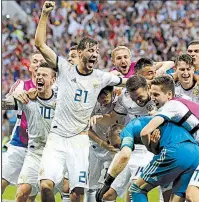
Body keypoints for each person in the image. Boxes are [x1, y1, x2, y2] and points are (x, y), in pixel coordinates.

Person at [34, 2, 126, 202]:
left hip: (79, 141)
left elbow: (126, 80)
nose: (94, 54)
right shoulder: (65, 69)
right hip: (57, 137)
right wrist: (45, 14)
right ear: (81, 52)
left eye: (97, 51)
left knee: (77, 193)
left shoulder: (101, 77)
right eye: (91, 51)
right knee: (45, 185)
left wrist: (150, 80)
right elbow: (40, 44)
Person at [141, 75, 199, 202]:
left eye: (156, 94)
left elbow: (145, 132)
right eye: (151, 94)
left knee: (192, 195)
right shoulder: (181, 100)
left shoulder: (171, 106)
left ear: (169, 94)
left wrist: (150, 147)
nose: (152, 98)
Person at [98, 116, 199, 202]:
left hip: (176, 150)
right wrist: (153, 146)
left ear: (120, 134)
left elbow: (124, 156)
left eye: (117, 145)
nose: (118, 148)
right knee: (177, 198)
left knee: (136, 189)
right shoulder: (150, 123)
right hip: (195, 152)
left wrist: (107, 183)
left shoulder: (127, 130)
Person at [2, 62, 56, 202]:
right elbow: (4, 103)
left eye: (44, 75)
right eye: (38, 74)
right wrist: (16, 94)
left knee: (53, 189)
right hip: (34, 152)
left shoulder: (60, 99)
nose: (39, 77)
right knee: (21, 193)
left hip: (55, 153)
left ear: (54, 80)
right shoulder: (27, 99)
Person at [1, 52, 45, 196]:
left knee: (28, 194)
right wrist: (16, 96)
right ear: (30, 67)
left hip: (40, 147)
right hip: (19, 143)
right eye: (35, 61)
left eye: (41, 61)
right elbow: (6, 103)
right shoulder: (21, 84)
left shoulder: (54, 88)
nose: (38, 63)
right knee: (2, 181)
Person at [85, 86, 124, 202]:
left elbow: (112, 118)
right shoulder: (91, 104)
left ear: (112, 92)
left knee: (110, 186)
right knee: (91, 186)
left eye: (105, 94)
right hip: (95, 147)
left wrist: (99, 118)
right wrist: (101, 143)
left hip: (115, 150)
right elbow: (86, 128)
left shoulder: (120, 102)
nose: (103, 97)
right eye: (99, 95)